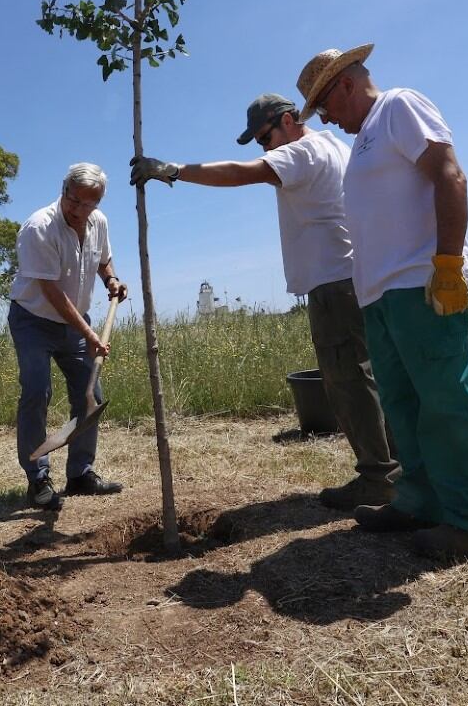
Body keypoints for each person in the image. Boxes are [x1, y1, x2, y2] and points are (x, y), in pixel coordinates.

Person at [130, 93, 401, 510]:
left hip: (333, 280)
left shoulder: (303, 150)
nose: (265, 148)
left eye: (265, 137)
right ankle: (397, 469)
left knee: (347, 379)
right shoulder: (333, 145)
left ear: (290, 120)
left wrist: (173, 171)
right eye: (260, 142)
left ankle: (379, 477)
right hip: (355, 273)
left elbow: (244, 173)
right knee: (371, 375)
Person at [295, 43, 468, 561]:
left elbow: (450, 175)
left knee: (447, 400)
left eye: (326, 107)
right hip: (379, 294)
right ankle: (418, 500)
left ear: (344, 85)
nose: (326, 119)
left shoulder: (399, 107)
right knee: (403, 404)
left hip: (421, 283)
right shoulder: (364, 138)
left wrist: (449, 265)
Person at [10, 163, 128, 510]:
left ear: (99, 202)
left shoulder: (98, 223)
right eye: (72, 200)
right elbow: (51, 291)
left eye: (87, 204)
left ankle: (80, 474)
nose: (77, 209)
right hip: (33, 319)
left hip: (75, 322)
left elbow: (103, 259)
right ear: (63, 190)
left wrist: (111, 280)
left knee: (90, 393)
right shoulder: (39, 228)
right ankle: (38, 479)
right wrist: (89, 333)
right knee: (36, 391)